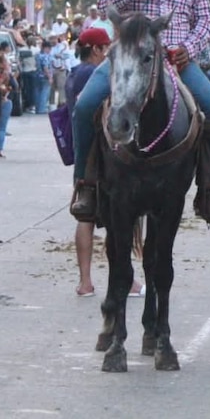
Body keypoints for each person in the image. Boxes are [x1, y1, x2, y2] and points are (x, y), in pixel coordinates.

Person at [70, 0, 210, 224]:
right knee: (85, 106)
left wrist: (188, 47)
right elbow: (105, 4)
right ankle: (85, 184)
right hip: (129, 58)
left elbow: (205, 20)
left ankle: (209, 188)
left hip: (176, 61)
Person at [66, 27, 143, 298]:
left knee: (88, 215)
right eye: (104, 45)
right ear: (98, 49)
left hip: (153, 54)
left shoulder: (76, 72)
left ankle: (86, 281)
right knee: (116, 217)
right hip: (100, 155)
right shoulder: (93, 72)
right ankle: (124, 279)